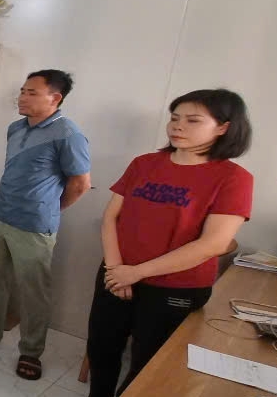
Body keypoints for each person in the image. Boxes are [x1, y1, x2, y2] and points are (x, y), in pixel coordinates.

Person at [86, 88, 254, 397]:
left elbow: (214, 244)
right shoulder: (144, 164)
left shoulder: (233, 178)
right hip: (115, 273)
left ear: (223, 127)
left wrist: (135, 273)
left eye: (193, 120)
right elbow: (111, 217)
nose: (178, 126)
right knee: (101, 349)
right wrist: (115, 268)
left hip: (174, 288)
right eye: (175, 118)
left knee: (149, 364)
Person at [0, 69, 91, 380]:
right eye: (22, 91)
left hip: (34, 227)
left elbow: (81, 184)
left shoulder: (68, 134)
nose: (22, 97)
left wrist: (50, 209)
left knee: (33, 292)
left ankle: (31, 351)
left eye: (32, 93)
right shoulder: (15, 128)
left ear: (55, 98)